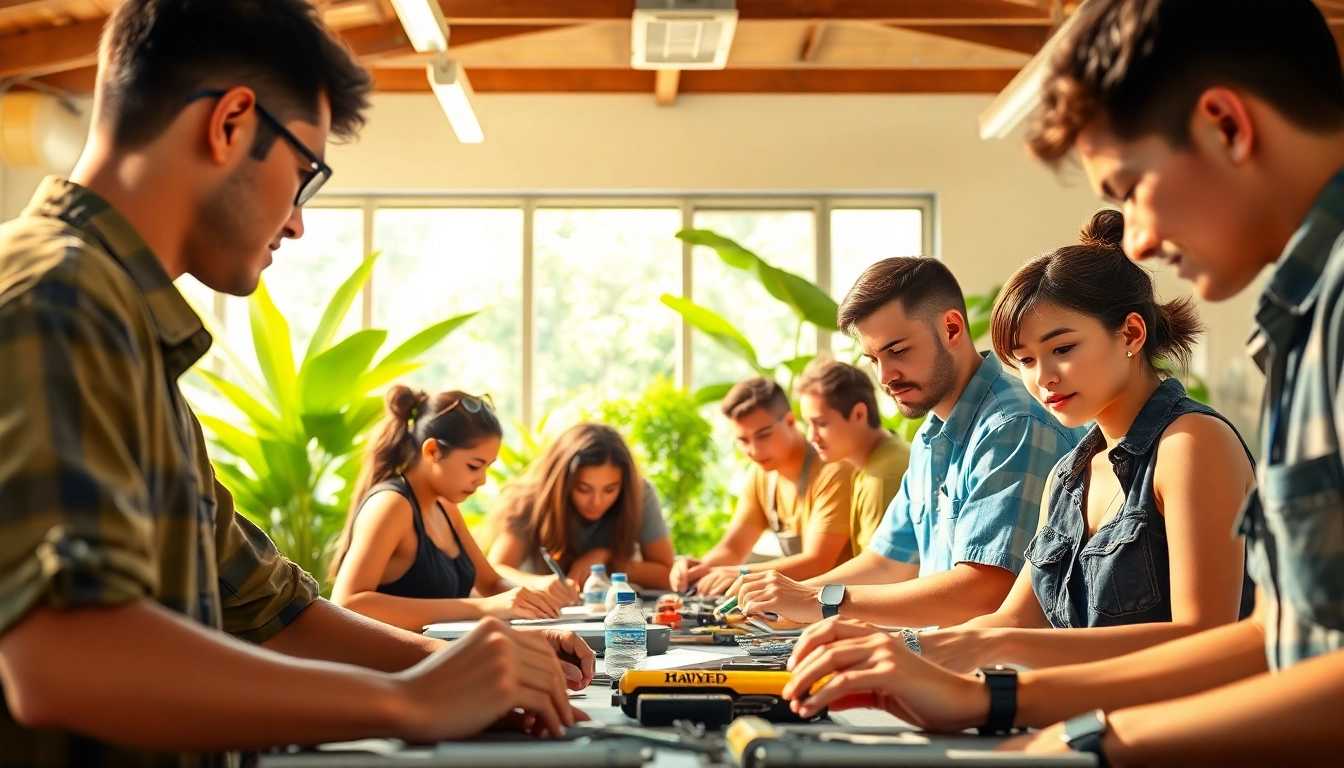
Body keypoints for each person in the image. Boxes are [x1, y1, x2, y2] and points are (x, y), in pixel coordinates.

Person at [0, 3, 590, 764]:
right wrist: (409, 701)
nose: (298, 223)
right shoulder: (60, 297)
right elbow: (67, 657)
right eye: (304, 173)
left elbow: (270, 606)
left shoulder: (125, 330)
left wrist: (468, 674)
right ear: (232, 124)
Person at [781, 2, 1344, 764]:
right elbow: (1277, 644)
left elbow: (1238, 646)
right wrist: (970, 682)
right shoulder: (1300, 322)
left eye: (1133, 184)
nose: (1138, 239)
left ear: (1225, 126)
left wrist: (1075, 733)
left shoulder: (1225, 410)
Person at [915, 209, 1255, 674]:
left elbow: (1204, 637)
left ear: (1131, 333)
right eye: (1026, 360)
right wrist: (898, 648)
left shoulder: (1191, 444)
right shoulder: (1068, 475)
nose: (1043, 378)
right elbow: (1013, 620)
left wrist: (996, 651)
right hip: (1084, 722)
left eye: (1063, 349)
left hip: (1188, 735)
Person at [729, 258, 1084, 628]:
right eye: (873, 359)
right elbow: (887, 561)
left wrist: (819, 600)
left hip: (996, 677)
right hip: (938, 664)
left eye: (897, 351)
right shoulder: (931, 434)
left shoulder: (1013, 425)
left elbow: (986, 592)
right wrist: (779, 599)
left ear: (951, 329)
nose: (885, 376)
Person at [330, 387, 570, 630]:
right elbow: (347, 604)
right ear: (432, 451)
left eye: (487, 466)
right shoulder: (392, 506)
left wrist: (536, 598)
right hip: (391, 665)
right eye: (474, 466)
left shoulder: (444, 507)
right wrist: (480, 607)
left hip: (439, 659)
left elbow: (492, 584)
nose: (482, 479)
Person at [669, 378, 855, 596]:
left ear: (790, 420)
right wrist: (698, 570)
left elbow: (818, 562)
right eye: (743, 441)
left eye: (763, 435)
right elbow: (733, 549)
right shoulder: (761, 476)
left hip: (843, 605)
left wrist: (741, 573)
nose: (754, 451)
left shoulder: (832, 470)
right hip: (801, 606)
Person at [489, 423, 676, 592]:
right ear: (561, 484)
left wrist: (605, 559)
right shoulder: (530, 499)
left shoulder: (638, 493)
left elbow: (667, 574)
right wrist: (538, 583)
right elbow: (496, 569)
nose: (597, 502)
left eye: (610, 489)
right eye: (583, 489)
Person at [796, 358, 911, 558]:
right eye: (808, 424)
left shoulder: (881, 478)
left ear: (859, 414)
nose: (811, 437)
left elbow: (879, 573)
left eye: (821, 423)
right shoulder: (878, 461)